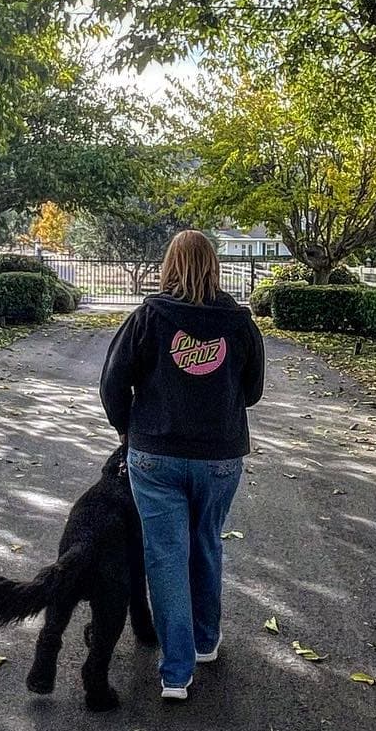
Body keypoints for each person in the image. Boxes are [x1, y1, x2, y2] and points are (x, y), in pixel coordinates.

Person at [100, 231, 265, 702]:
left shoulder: (148, 318)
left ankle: (177, 672)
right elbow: (253, 391)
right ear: (214, 266)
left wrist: (126, 431)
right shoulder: (239, 324)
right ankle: (206, 641)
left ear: (169, 265)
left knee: (165, 555)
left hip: (154, 456)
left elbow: (112, 385)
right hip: (220, 458)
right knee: (206, 542)